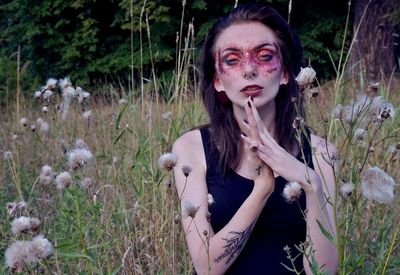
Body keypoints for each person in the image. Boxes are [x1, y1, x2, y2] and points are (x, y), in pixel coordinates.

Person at [172, 3, 338, 274]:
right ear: (217, 81)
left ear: (285, 73)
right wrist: (262, 189)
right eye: (233, 60)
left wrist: (313, 186)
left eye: (264, 56)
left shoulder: (321, 154)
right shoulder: (191, 149)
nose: (249, 70)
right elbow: (206, 268)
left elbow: (324, 271)